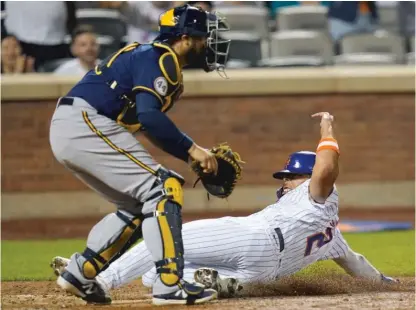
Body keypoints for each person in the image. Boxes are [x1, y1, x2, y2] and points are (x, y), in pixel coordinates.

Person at [50, 111, 398, 302]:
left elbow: (325, 168)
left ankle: (99, 278)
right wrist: (387, 284)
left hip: (255, 237)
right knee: (153, 275)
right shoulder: (333, 236)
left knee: (171, 234)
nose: (285, 182)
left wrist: (327, 128)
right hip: (260, 273)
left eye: (291, 177)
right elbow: (358, 265)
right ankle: (221, 283)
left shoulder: (317, 192)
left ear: (308, 178)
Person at [49, 4, 230, 307]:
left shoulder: (153, 57)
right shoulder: (160, 57)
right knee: (164, 188)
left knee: (140, 204)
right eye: (202, 38)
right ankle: (169, 284)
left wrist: (189, 157)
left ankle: (80, 272)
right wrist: (192, 148)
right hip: (84, 122)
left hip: (75, 126)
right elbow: (149, 117)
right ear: (184, 38)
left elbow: (148, 126)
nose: (207, 44)